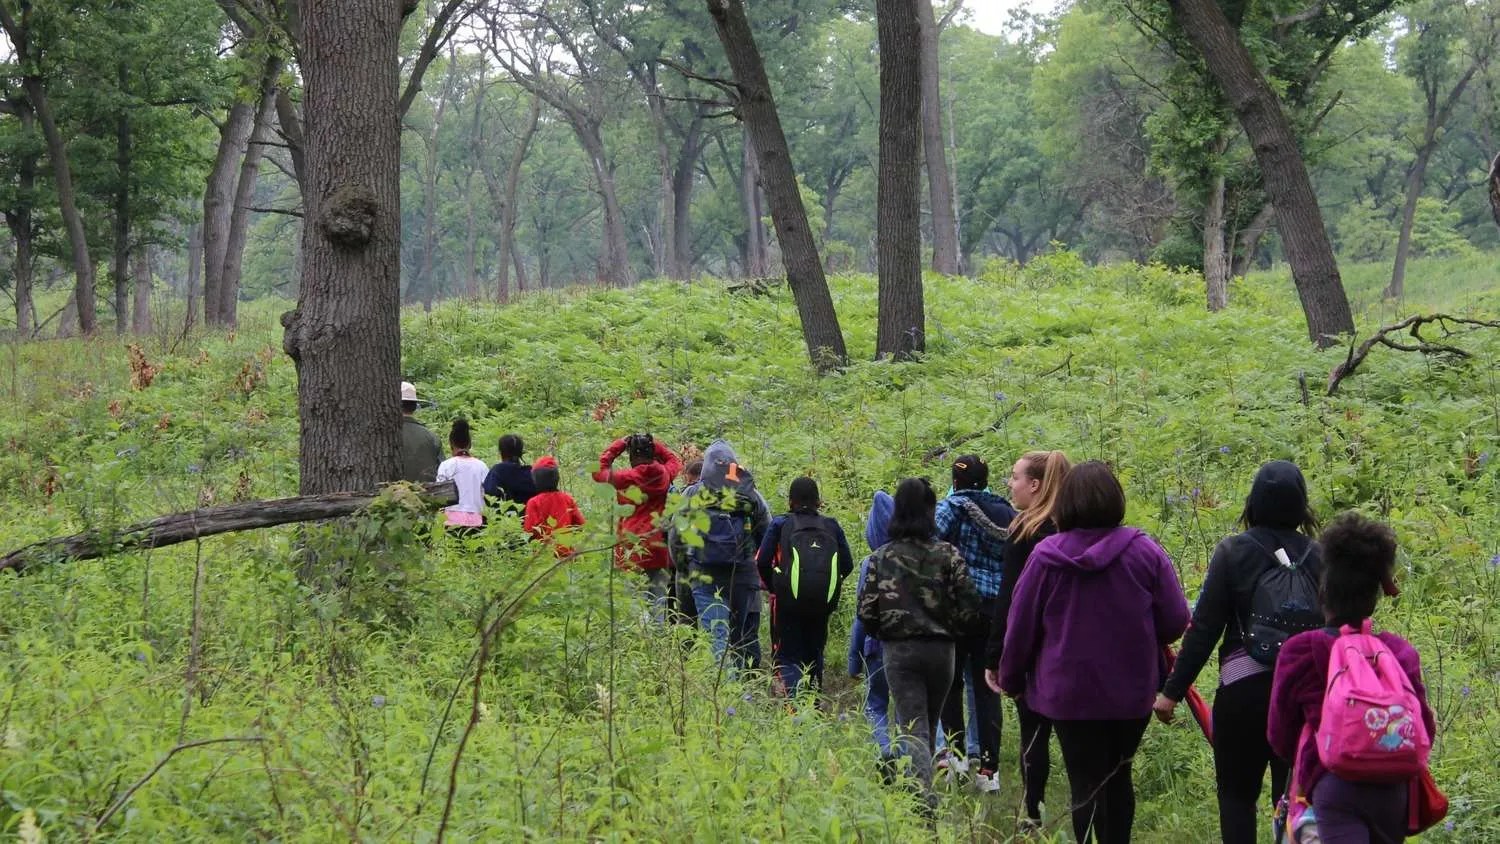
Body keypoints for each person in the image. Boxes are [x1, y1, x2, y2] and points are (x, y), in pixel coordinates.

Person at [999, 461, 1190, 844]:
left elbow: (1020, 626)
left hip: (1067, 693)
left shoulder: (1045, 557)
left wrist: (1012, 678)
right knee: (1119, 777)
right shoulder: (1144, 551)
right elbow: (1175, 620)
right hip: (1130, 691)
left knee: (1084, 782)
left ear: (1065, 502)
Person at [1154, 460, 1324, 844]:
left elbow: (1204, 629)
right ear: (1301, 503)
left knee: (1236, 799)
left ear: (1254, 501)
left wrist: (1171, 692)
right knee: (1295, 802)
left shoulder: (1233, 552)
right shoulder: (1320, 556)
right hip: (1302, 697)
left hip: (1242, 694)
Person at [1267, 513, 1434, 844]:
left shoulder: (1301, 651)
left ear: (1324, 590)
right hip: (1394, 792)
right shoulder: (1399, 653)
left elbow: (1280, 736)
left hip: (1333, 785)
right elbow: (1424, 729)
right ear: (1373, 598)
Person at [857, 477, 982, 817]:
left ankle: (921, 801)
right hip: (943, 652)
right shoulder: (948, 554)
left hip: (900, 652)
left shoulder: (882, 556)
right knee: (928, 721)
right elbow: (971, 605)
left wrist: (885, 632)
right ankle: (921, 792)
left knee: (911, 724)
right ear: (930, 510)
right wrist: (951, 631)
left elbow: (866, 611)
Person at [982, 450, 1072, 831]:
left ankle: (1032, 811)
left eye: (1015, 477)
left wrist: (995, 656)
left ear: (1035, 485)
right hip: (1070, 646)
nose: (1010, 484)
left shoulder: (1024, 531)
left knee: (1033, 734)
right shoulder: (1072, 528)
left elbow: (1010, 598)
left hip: (1033, 648)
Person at [933, 454, 1015, 793]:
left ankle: (955, 759)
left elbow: (927, 544)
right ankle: (989, 770)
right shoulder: (1008, 513)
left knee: (950, 684)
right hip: (994, 612)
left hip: (956, 608)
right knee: (987, 686)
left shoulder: (951, 508)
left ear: (956, 481)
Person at [670, 440, 770, 672]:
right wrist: (755, 567)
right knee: (738, 637)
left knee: (716, 637)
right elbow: (767, 534)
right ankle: (740, 686)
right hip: (743, 575)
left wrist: (685, 568)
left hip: (704, 575)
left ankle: (724, 688)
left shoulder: (693, 493)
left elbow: (676, 537)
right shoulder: (751, 494)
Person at [756, 477, 854, 697]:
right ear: (818, 501)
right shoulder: (831, 525)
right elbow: (847, 564)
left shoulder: (781, 524)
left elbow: (762, 561)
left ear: (791, 501)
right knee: (814, 653)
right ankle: (813, 705)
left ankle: (794, 707)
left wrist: (776, 586)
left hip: (787, 604)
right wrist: (826, 585)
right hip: (821, 604)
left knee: (788, 655)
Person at [593, 433, 683, 613]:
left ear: (632, 455)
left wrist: (619, 445)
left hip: (632, 545)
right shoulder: (664, 474)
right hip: (659, 543)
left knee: (635, 601)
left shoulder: (626, 477)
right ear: (652, 453)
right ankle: (657, 631)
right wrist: (653, 444)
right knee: (659, 601)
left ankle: (641, 629)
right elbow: (674, 461)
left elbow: (598, 471)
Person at [848, 490, 896, 774]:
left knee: (876, 704)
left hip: (876, 647)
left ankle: (883, 751)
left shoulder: (871, 561)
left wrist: (854, 660)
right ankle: (913, 760)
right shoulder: (912, 556)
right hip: (907, 647)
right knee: (907, 709)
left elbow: (861, 615)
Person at [523, 456, 585, 557]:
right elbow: (580, 525)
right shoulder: (567, 499)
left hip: (543, 557)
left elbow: (529, 531)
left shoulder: (534, 502)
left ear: (536, 479)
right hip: (567, 555)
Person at [667, 459, 705, 628]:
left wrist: (680, 565)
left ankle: (688, 645)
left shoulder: (689, 492)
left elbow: (675, 534)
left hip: (689, 563)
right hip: (721, 564)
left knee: (687, 618)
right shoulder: (729, 490)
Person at [434, 419, 488, 533]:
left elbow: (440, 496)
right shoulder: (481, 466)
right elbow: (487, 494)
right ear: (470, 444)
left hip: (450, 522)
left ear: (451, 444)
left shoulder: (446, 465)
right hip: (477, 521)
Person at [399, 381, 442, 483]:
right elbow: (442, 471)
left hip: (391, 491)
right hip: (428, 491)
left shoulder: (383, 436)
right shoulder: (432, 437)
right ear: (415, 406)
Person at [482, 433, 537, 514]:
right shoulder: (531, 473)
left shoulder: (498, 471)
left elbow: (489, 496)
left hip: (503, 518)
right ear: (521, 452)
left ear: (501, 452)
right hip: (527, 518)